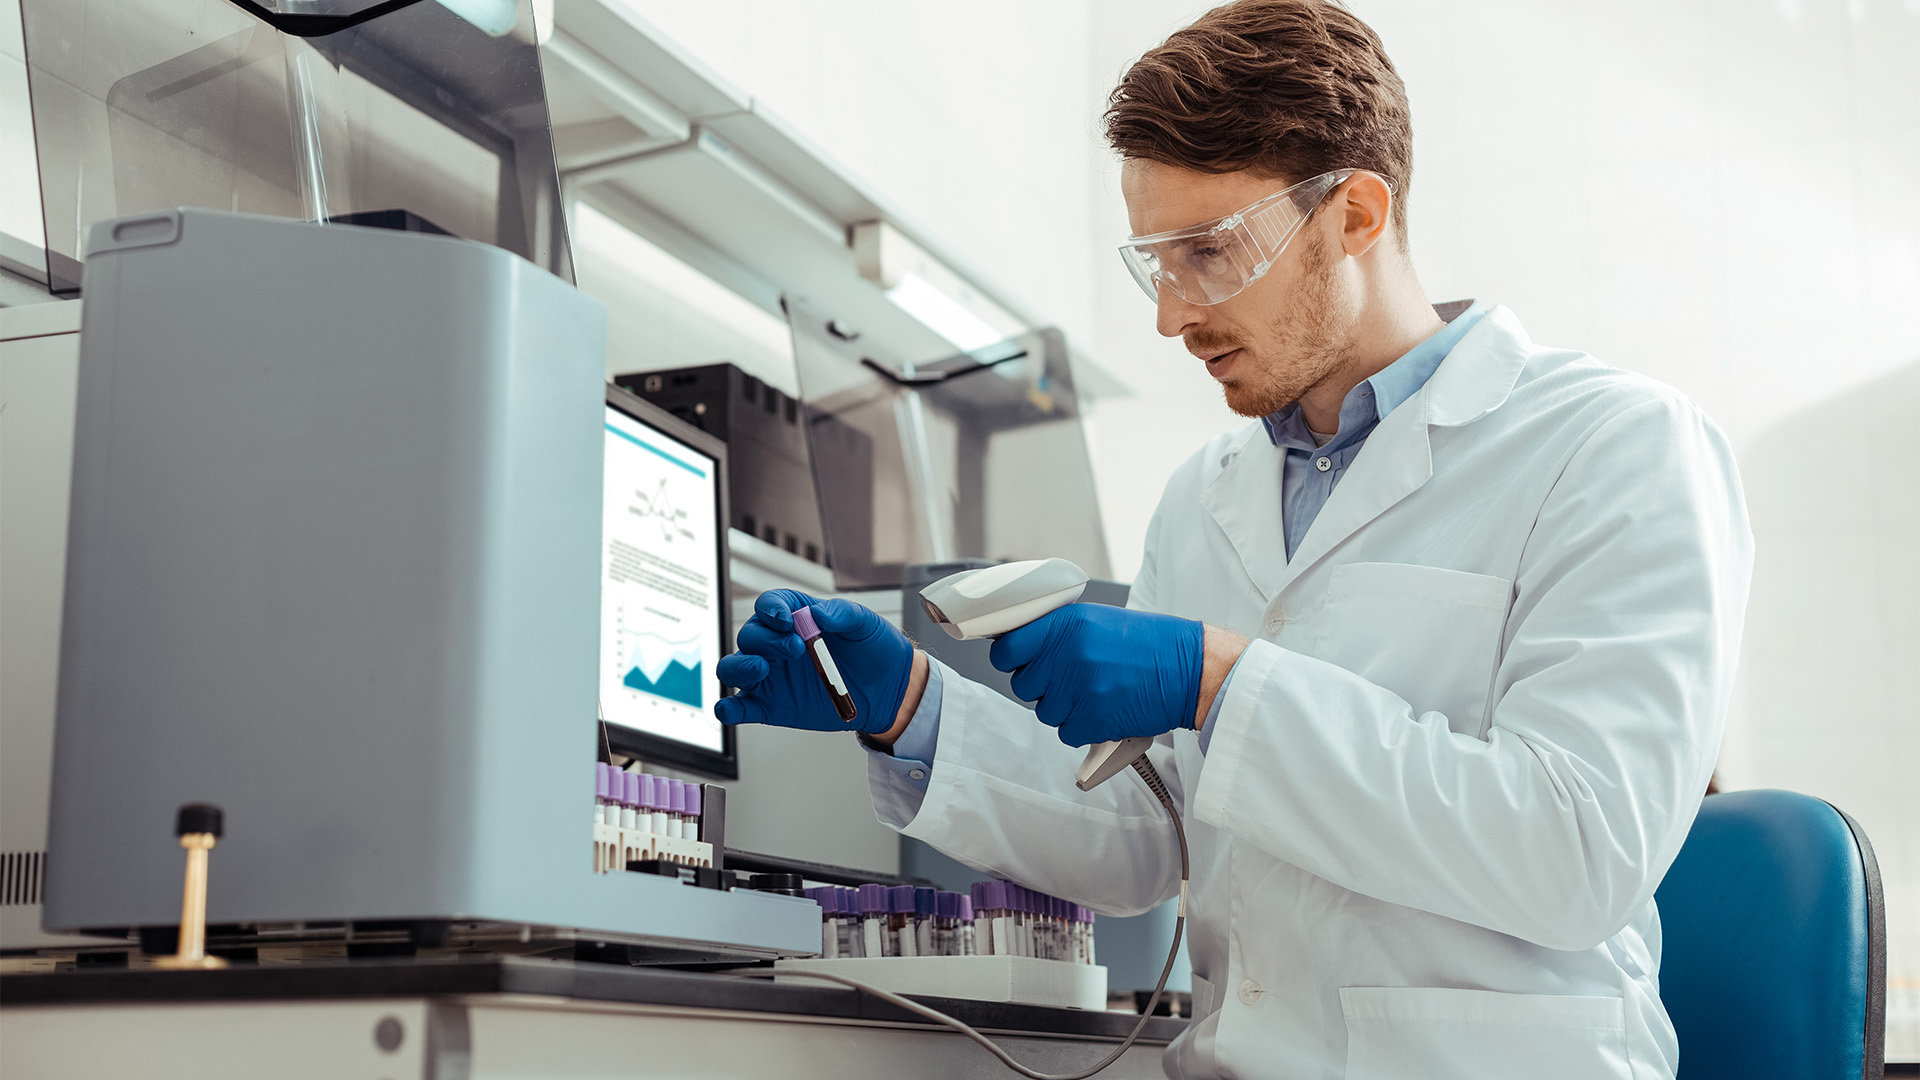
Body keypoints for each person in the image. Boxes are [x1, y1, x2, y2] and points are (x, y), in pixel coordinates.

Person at [715, 2, 1752, 1076]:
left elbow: (1579, 852)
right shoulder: (1205, 495)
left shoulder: (1614, 447)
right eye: (1155, 261)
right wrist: (911, 710)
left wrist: (1220, 681)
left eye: (1209, 252)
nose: (1173, 315)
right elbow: (1145, 837)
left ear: (1354, 214)